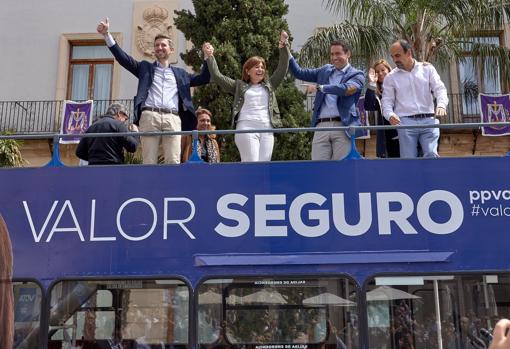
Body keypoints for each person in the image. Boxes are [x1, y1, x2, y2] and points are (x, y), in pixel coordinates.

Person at [96, 18, 211, 164]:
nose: (160, 47)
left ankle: (170, 188)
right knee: (149, 161)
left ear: (171, 50)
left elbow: (204, 78)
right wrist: (107, 35)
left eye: (163, 45)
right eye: (157, 45)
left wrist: (208, 58)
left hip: (172, 118)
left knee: (173, 161)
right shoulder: (145, 68)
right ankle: (148, 188)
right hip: (150, 117)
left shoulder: (181, 74)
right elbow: (123, 59)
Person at [203, 31, 289, 162]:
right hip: (246, 128)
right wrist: (210, 56)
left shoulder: (270, 85)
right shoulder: (239, 85)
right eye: (256, 67)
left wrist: (284, 45)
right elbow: (218, 77)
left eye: (262, 67)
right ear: (247, 71)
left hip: (267, 129)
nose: (260, 69)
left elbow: (282, 68)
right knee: (252, 165)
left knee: (264, 167)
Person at [288, 39, 365, 160]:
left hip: (343, 127)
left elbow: (345, 89)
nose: (334, 57)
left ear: (348, 54)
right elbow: (299, 73)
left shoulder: (357, 74)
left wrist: (321, 88)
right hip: (321, 126)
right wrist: (286, 50)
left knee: (341, 170)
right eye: (332, 54)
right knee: (319, 170)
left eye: (338, 53)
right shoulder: (325, 70)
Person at [381, 39, 448, 158]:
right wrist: (390, 115)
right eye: (392, 57)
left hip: (429, 120)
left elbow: (440, 89)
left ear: (408, 53)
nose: (395, 60)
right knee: (408, 159)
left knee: (432, 155)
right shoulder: (390, 77)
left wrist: (442, 105)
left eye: (398, 55)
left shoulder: (427, 69)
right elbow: (386, 101)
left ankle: (431, 177)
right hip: (405, 123)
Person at [364, 59, 400, 158]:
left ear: (389, 70)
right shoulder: (377, 93)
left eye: (383, 70)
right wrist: (372, 83)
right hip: (386, 134)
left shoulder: (399, 84)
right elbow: (368, 106)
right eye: (377, 72)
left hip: (403, 130)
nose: (380, 73)